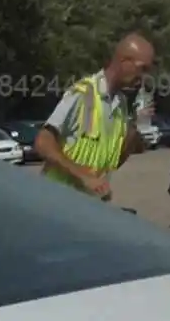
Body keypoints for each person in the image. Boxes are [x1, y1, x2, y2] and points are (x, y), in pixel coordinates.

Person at [34, 34, 156, 201]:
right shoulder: (83, 94)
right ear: (124, 62)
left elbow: (115, 162)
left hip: (86, 208)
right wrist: (83, 176)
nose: (143, 77)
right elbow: (43, 142)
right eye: (142, 69)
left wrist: (136, 126)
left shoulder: (120, 104)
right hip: (54, 202)